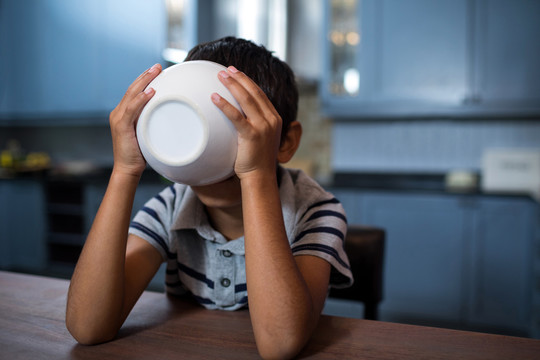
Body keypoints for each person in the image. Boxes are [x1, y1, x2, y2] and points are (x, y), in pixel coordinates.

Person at [65, 37, 353, 359]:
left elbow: (280, 343)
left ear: (286, 142)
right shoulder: (172, 205)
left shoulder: (316, 211)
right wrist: (125, 170)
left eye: (240, 127)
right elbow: (87, 326)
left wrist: (255, 176)